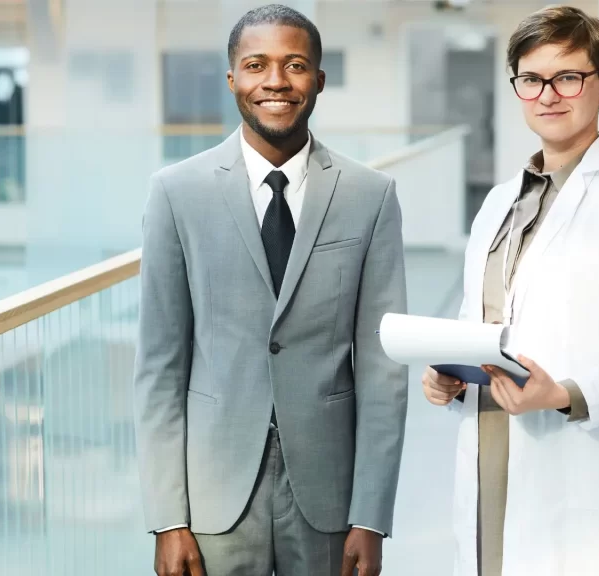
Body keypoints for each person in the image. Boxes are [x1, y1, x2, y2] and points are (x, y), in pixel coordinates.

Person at [133, 5, 408, 576]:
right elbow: (160, 367)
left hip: (330, 493)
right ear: (233, 77)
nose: (276, 81)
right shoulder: (176, 193)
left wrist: (371, 515)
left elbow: (383, 370)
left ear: (319, 81)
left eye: (295, 65)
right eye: (256, 65)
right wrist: (167, 518)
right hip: (213, 497)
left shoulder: (370, 195)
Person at [421, 6, 599, 575]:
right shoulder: (498, 203)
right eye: (531, 79)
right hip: (494, 450)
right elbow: (482, 325)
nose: (548, 94)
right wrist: (450, 373)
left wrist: (562, 393)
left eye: (568, 77)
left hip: (582, 465)